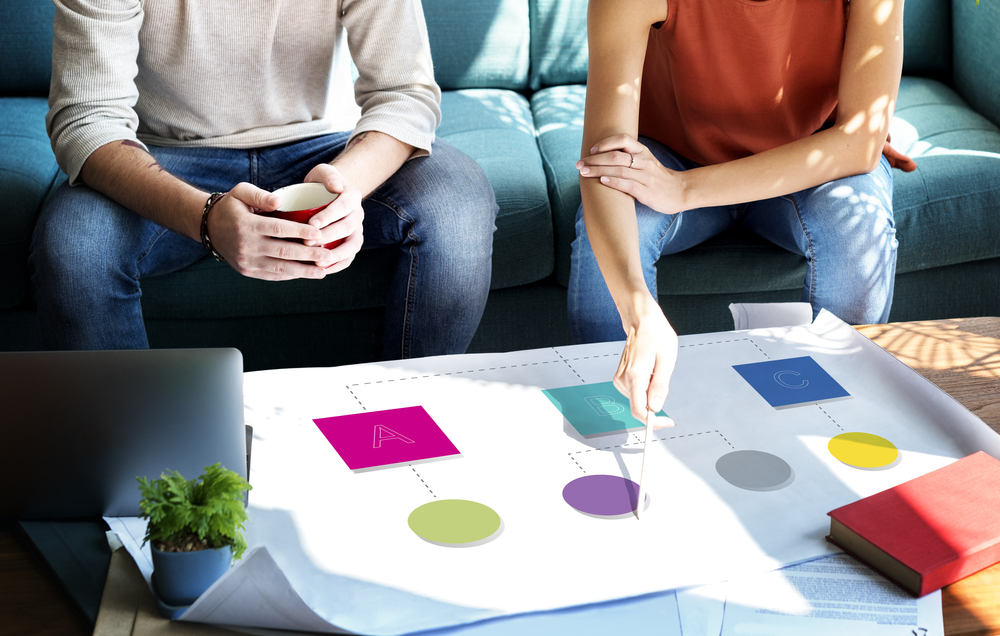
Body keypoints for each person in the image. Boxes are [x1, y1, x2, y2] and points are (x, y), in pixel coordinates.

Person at [31, 0, 497, 360]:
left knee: (457, 200)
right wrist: (206, 217)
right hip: (169, 157)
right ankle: (135, 470)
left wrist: (346, 186)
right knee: (74, 244)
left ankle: (404, 436)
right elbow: (87, 119)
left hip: (321, 147)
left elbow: (405, 92)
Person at [572, 0, 914, 424]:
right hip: (670, 158)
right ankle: (616, 423)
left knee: (857, 232)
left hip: (807, 158)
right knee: (608, 246)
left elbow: (859, 142)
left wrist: (684, 190)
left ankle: (840, 423)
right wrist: (637, 310)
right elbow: (606, 159)